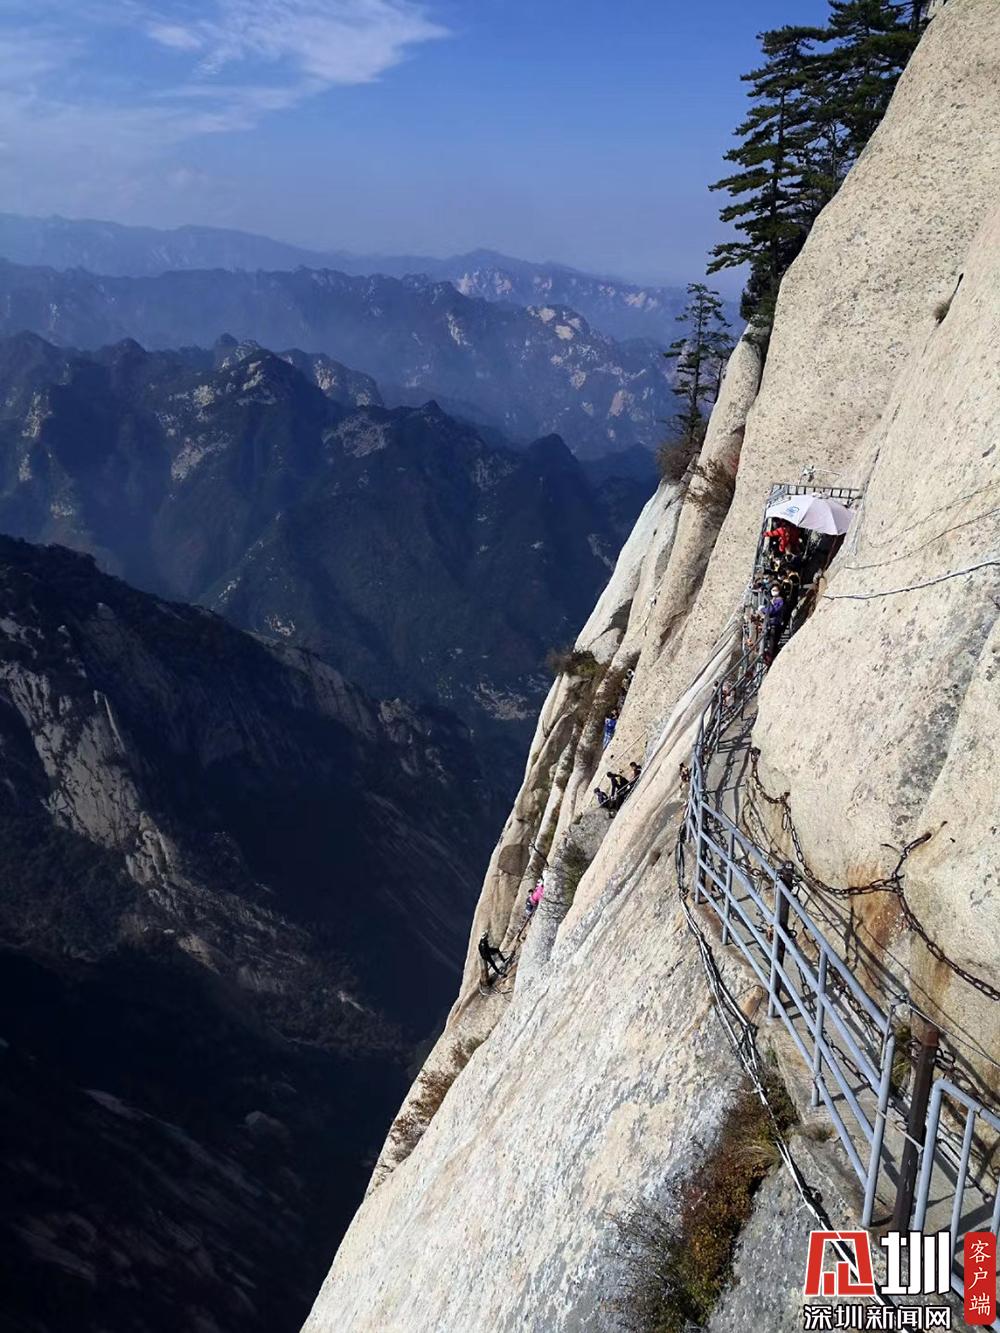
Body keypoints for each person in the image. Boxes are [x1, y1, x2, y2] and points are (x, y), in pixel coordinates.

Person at [764, 584, 785, 665]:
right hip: (769, 623)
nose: (774, 592)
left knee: (773, 643)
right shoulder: (772, 599)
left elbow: (773, 611)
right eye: (773, 590)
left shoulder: (780, 601)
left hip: (776, 624)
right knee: (769, 642)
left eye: (776, 590)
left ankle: (770, 660)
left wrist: (764, 609)